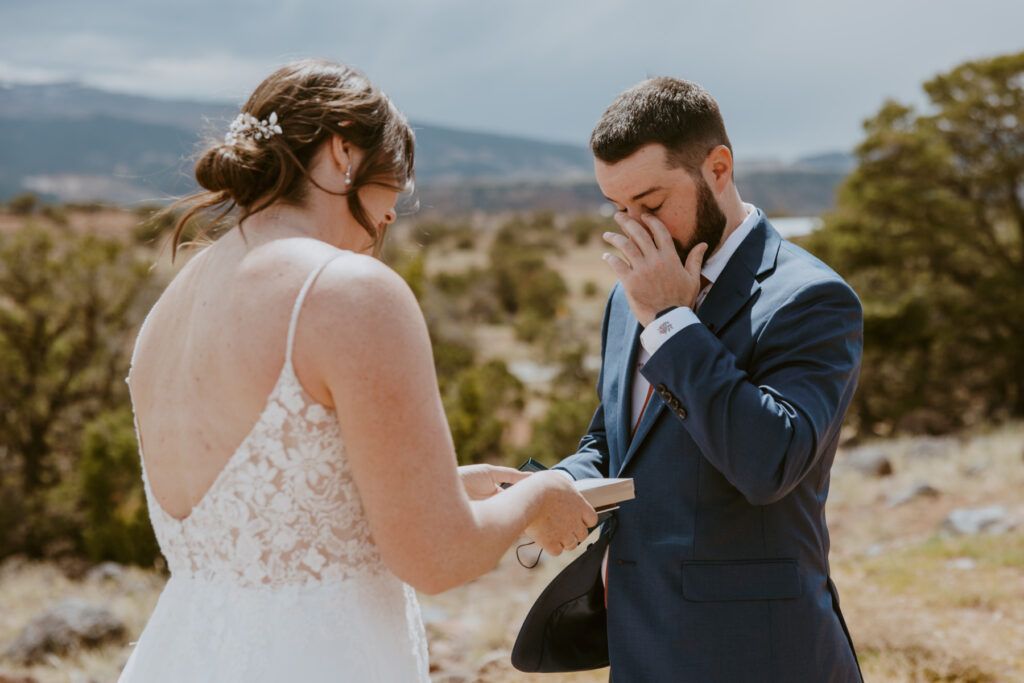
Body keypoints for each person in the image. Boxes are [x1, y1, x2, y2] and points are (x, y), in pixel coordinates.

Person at [119, 59, 597, 682]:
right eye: (397, 180)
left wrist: (443, 484)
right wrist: (541, 493)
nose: (395, 212)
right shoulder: (346, 290)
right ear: (343, 148)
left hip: (183, 653)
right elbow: (436, 557)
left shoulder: (171, 306)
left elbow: (265, 509)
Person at [553, 77, 864, 681]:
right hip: (642, 644)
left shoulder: (811, 299)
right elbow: (616, 443)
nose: (637, 228)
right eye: (619, 209)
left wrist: (672, 321)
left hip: (759, 652)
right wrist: (556, 487)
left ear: (717, 168)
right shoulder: (629, 299)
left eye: (651, 202)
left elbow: (769, 463)